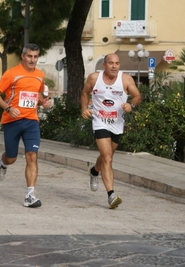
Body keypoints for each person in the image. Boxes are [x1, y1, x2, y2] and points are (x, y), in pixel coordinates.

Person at [0, 43, 50, 208]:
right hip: (12, 121)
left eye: (35, 57)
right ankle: (3, 163)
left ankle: (30, 195)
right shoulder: (12, 74)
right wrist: (8, 108)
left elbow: (37, 92)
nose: (32, 60)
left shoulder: (40, 74)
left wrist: (43, 101)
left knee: (32, 156)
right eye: (29, 56)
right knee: (12, 157)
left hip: (31, 121)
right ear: (23, 56)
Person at [81, 53, 141, 209]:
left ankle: (94, 171)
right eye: (111, 63)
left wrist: (131, 105)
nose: (114, 66)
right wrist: (84, 108)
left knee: (106, 156)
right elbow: (84, 93)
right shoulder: (94, 78)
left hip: (117, 124)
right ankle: (111, 195)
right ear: (104, 65)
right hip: (100, 121)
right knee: (107, 158)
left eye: (117, 63)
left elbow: (137, 96)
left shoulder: (126, 79)